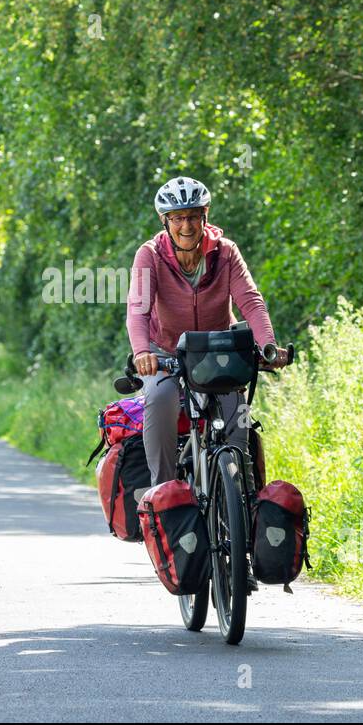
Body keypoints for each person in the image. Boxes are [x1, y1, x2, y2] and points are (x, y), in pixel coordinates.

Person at [126, 176, 288, 491]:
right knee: (159, 398)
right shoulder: (150, 255)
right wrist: (142, 353)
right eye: (177, 218)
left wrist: (267, 345)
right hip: (166, 353)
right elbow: (138, 309)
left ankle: (241, 497)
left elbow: (250, 302)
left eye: (193, 216)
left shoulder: (226, 252)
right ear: (165, 221)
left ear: (205, 216)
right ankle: (163, 492)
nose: (186, 225)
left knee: (236, 420)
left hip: (218, 351)